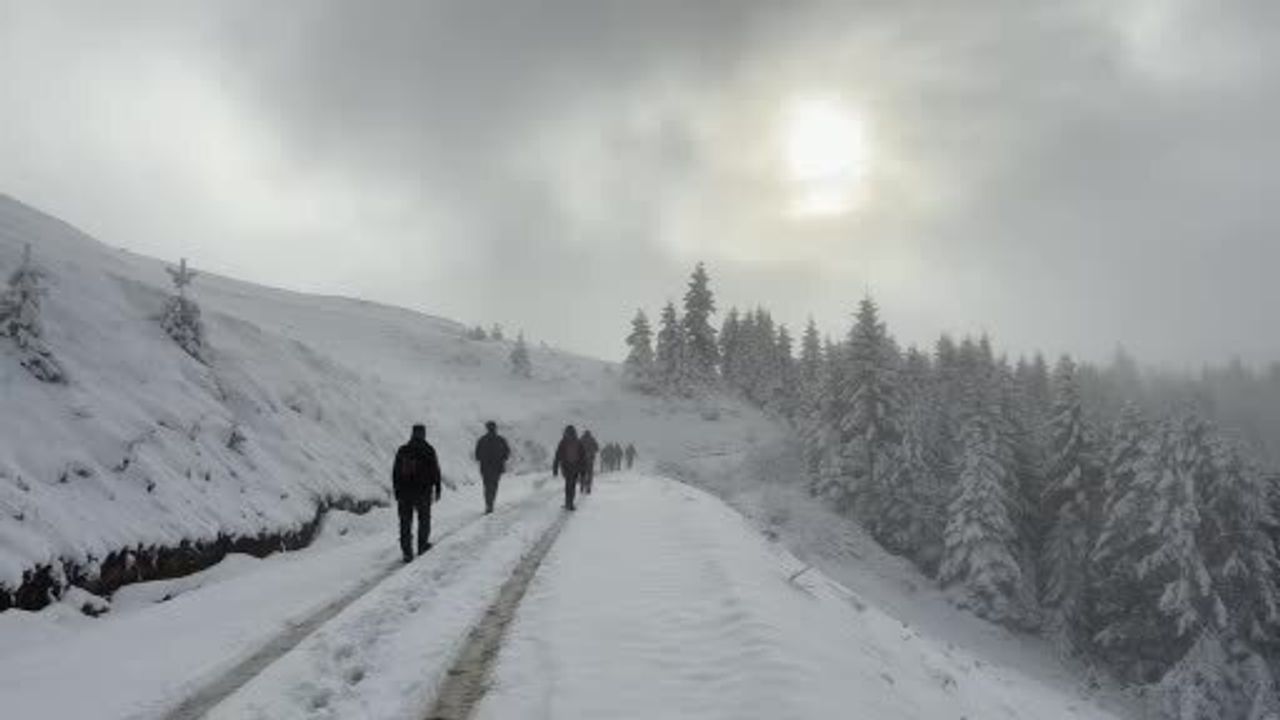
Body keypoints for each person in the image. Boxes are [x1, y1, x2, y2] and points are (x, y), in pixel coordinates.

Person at [392, 424, 443, 562]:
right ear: (424, 434)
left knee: (405, 522)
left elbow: (396, 472)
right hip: (423, 492)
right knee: (424, 519)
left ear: (412, 433)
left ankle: (407, 552)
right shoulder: (428, 450)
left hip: (404, 492)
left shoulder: (403, 450)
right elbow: (435, 471)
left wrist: (396, 490)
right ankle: (422, 545)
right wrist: (437, 488)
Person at [474, 420, 511, 514]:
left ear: (487, 428)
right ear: (495, 428)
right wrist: (502, 459)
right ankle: (491, 504)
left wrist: (483, 459)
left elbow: (477, 455)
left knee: (487, 486)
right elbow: (507, 453)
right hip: (497, 468)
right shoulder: (501, 440)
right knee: (494, 486)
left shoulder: (482, 440)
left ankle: (488, 504)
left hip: (485, 468)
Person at [552, 425, 585, 510]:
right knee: (572, 485)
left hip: (566, 467)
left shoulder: (563, 442)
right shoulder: (578, 442)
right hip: (576, 467)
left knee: (568, 484)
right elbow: (583, 457)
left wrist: (555, 469)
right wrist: (583, 471)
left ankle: (568, 502)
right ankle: (570, 503)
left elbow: (557, 455)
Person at [579, 429, 599, 494]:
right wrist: (593, 451)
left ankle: (582, 484)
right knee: (590, 473)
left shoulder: (581, 439)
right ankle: (588, 487)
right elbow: (597, 448)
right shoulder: (592, 439)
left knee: (582, 473)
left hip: (582, 460)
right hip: (590, 459)